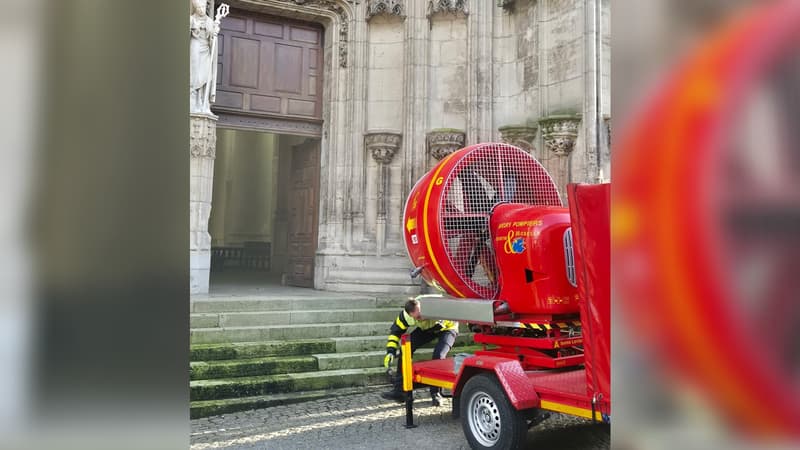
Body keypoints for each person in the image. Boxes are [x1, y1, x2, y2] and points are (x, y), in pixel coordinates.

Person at [381, 297, 458, 406]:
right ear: (410, 314)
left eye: (420, 315)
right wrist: (390, 351)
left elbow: (454, 309)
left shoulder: (435, 305)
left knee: (439, 355)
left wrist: (442, 320)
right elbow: (395, 332)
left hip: (447, 328)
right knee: (405, 350)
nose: (420, 318)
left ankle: (435, 393)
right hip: (428, 328)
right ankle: (399, 391)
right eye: (417, 318)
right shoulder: (405, 316)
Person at [190, 0, 220, 113]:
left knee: (206, 76)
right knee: (195, 76)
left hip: (206, 50)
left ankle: (203, 103)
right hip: (195, 48)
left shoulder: (210, 21)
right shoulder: (191, 19)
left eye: (203, 7)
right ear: (195, 9)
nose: (201, 10)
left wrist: (214, 34)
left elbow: (212, 40)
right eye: (199, 8)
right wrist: (194, 27)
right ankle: (193, 104)